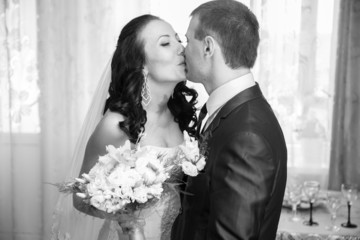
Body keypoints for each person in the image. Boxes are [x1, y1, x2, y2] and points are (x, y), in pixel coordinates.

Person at [51, 14, 198, 240]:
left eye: (179, 39)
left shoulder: (180, 114)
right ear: (141, 64)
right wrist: (125, 216)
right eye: (166, 43)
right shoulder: (117, 125)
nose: (181, 48)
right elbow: (79, 197)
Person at [171, 0, 287, 239]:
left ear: (208, 47)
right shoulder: (232, 112)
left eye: (187, 40)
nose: (182, 50)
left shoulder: (246, 136)